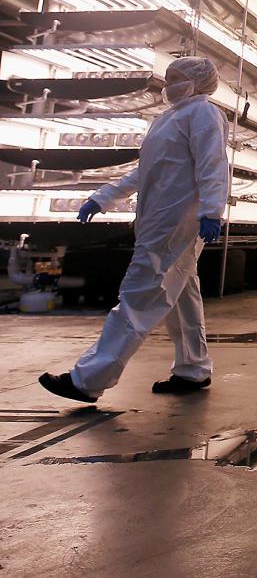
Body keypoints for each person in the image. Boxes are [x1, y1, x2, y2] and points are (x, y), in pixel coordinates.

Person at [39, 56, 228, 403]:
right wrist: (104, 197)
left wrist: (213, 210)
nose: (168, 85)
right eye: (167, 78)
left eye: (175, 78)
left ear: (198, 82)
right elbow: (144, 172)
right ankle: (193, 368)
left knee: (139, 297)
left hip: (174, 222)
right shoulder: (167, 119)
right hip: (160, 219)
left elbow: (213, 165)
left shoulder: (203, 113)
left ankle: (88, 379)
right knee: (182, 296)